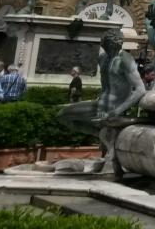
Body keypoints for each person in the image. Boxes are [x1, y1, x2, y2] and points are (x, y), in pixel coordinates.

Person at [58, 29, 145, 174]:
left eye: (113, 45)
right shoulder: (103, 59)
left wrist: (118, 111)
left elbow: (140, 89)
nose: (111, 48)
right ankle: (106, 140)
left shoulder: (126, 59)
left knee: (66, 115)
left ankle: (109, 145)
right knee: (62, 115)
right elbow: (106, 84)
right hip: (101, 103)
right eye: (107, 45)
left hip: (115, 107)